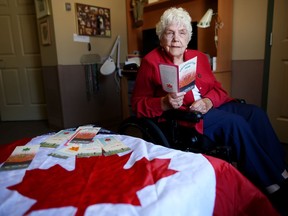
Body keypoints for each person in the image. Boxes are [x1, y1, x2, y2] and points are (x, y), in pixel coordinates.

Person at [131, 7, 288, 212]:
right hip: (186, 116)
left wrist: (208, 102)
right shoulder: (151, 62)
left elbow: (217, 89)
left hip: (209, 106)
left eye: (182, 32)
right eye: (170, 33)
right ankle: (271, 184)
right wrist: (163, 103)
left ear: (188, 37)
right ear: (161, 37)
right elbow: (137, 104)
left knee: (256, 114)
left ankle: (281, 171)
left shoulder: (199, 57)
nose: (176, 38)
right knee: (236, 124)